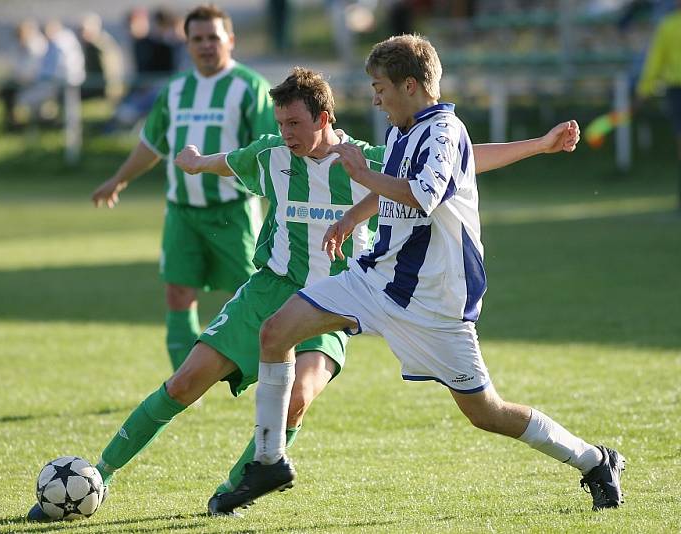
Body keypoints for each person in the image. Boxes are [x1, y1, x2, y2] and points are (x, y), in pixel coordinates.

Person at [26, 61, 582, 520]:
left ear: (324, 119)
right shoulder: (272, 155)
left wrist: (538, 145)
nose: (286, 133)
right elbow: (230, 162)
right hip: (268, 287)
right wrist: (195, 164)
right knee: (184, 383)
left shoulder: (363, 155)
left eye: (294, 123)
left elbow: (460, 165)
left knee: (297, 397)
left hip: (339, 296)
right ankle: (100, 472)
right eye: (281, 123)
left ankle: (236, 488)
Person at [218, 34, 625, 514]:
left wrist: (359, 174)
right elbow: (400, 183)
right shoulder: (403, 129)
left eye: (380, 87)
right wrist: (353, 217)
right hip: (376, 280)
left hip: (435, 304)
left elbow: (421, 194)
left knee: (486, 413)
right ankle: (268, 460)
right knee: (275, 330)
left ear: (409, 85)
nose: (375, 98)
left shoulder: (445, 131)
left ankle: (594, 460)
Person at [92, 4, 278, 374]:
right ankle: (185, 380)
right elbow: (152, 144)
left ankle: (263, 370)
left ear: (231, 40)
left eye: (214, 37)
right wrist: (119, 179)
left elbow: (268, 152)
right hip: (182, 211)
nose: (206, 45)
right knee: (178, 292)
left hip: (233, 211)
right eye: (198, 39)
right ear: (187, 43)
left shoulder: (250, 87)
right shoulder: (175, 90)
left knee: (253, 295)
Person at [636, 0, 681, 209]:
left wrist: (644, 91)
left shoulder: (668, 25)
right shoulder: (667, 25)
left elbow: (655, 61)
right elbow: (656, 59)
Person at [16, 19, 85, 125]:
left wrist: (41, 77)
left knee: (26, 98)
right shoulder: (64, 40)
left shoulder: (59, 42)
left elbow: (60, 67)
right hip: (65, 80)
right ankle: (42, 123)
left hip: (62, 82)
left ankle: (37, 125)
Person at [0, 19, 47, 131]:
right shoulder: (22, 47)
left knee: (7, 93)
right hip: (23, 82)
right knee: (6, 92)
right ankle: (12, 122)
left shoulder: (36, 47)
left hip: (35, 83)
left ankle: (14, 124)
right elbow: (16, 68)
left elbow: (32, 71)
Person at [79, 12, 124, 101]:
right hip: (94, 90)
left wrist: (110, 95)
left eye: (83, 30)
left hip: (105, 94)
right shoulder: (89, 46)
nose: (81, 34)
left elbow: (111, 74)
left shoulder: (103, 47)